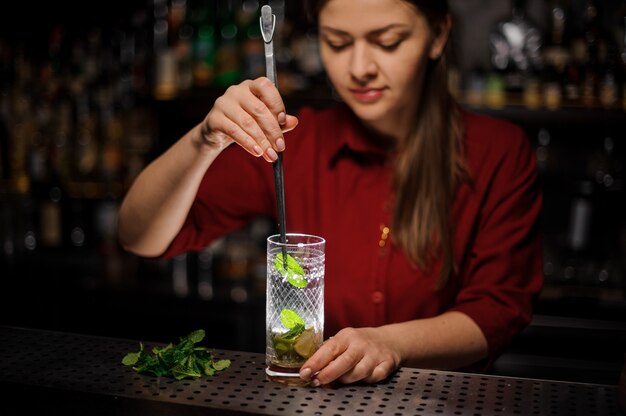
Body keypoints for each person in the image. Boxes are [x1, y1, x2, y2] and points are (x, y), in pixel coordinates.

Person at [117, 0, 543, 387]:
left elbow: (497, 312)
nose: (359, 67)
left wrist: (390, 343)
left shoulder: (496, 152)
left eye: (388, 42)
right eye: (337, 43)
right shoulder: (295, 144)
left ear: (438, 36)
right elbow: (141, 235)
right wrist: (204, 139)